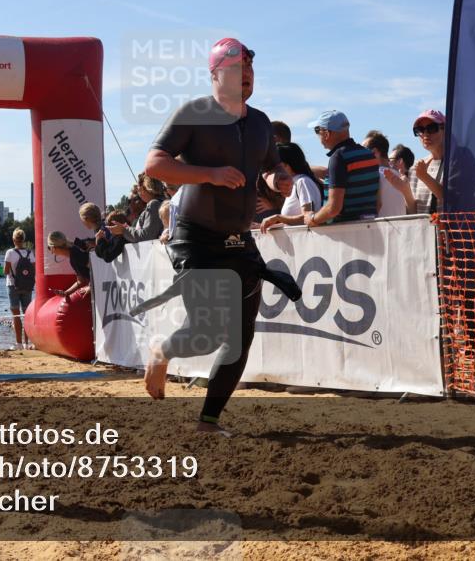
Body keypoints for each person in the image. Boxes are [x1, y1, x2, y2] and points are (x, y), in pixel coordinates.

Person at [140, 36, 299, 435]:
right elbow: (155, 164)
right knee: (209, 330)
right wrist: (208, 174)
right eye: (235, 70)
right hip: (195, 237)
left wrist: (277, 179)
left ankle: (208, 421)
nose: (245, 77)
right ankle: (162, 350)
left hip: (238, 239)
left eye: (249, 71)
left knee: (240, 338)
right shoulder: (195, 114)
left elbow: (269, 168)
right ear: (214, 75)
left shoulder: (261, 122)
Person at [304, 110, 379, 226]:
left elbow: (333, 208)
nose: (317, 136)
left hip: (344, 233)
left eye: (317, 130)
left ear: (326, 133)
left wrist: (312, 219)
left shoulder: (338, 157)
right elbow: (378, 203)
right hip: (370, 228)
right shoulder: (369, 155)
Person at [260, 142, 324, 232]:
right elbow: (295, 222)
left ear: (285, 165)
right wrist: (264, 225)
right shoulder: (296, 182)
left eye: (275, 166)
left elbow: (308, 217)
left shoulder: (303, 182)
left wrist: (278, 217)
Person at [363, 130, 406, 218]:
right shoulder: (399, 177)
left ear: (375, 152)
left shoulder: (373, 175)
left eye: (363, 150)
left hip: (381, 230)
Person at [4, 228, 35, 349]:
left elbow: (6, 271)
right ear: (23, 240)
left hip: (13, 285)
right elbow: (33, 270)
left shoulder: (10, 253)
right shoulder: (29, 253)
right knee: (27, 314)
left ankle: (18, 344)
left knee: (16, 315)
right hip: (27, 286)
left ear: (13, 239)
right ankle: (27, 343)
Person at [111, 174, 165, 243]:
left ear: (144, 188)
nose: (138, 192)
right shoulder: (162, 202)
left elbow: (146, 237)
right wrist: (128, 229)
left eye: (138, 188)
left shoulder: (154, 204)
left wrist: (124, 230)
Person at [47, 230, 92, 298]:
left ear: (53, 247)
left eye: (49, 248)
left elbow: (96, 268)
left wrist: (91, 286)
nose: (51, 252)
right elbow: (81, 280)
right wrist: (66, 293)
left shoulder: (75, 254)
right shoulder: (73, 254)